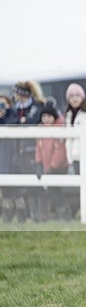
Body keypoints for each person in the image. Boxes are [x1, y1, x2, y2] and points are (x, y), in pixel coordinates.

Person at [9, 81, 45, 222]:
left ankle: (39, 214)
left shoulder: (36, 106)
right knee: (24, 183)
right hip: (19, 150)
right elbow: (13, 122)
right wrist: (21, 121)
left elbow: (31, 121)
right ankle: (29, 214)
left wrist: (23, 121)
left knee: (34, 181)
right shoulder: (16, 107)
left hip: (32, 149)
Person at [34, 102, 71, 221]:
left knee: (55, 191)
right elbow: (38, 148)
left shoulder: (59, 129)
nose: (46, 119)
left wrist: (52, 167)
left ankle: (65, 214)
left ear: (54, 117)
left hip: (59, 166)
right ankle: (61, 214)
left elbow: (60, 151)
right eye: (44, 116)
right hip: (47, 166)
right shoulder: (40, 131)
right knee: (53, 191)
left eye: (49, 116)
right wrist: (39, 164)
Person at [64, 83, 86, 175]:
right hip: (74, 155)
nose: (74, 99)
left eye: (77, 95)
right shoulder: (69, 114)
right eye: (71, 96)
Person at [0, 93, 20, 222]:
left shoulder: (13, 114)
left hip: (13, 155)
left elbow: (13, 123)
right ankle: (7, 216)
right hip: (2, 157)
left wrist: (6, 113)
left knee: (16, 188)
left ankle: (21, 215)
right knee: (5, 189)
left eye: (4, 104)